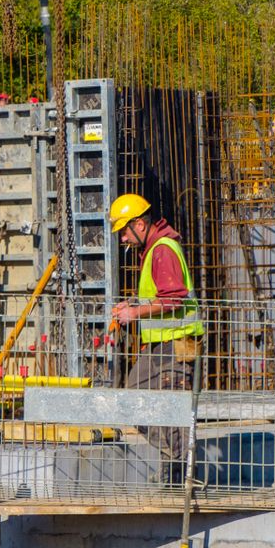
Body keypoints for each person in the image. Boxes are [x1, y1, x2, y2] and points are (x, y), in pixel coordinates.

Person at [108, 193, 202, 486]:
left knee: (168, 407)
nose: (123, 239)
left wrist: (135, 313)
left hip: (175, 344)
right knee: (144, 400)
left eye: (124, 231)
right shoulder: (154, 250)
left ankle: (177, 474)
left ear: (139, 223)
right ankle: (173, 468)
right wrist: (134, 305)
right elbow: (160, 295)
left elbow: (174, 299)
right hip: (164, 344)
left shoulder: (162, 249)